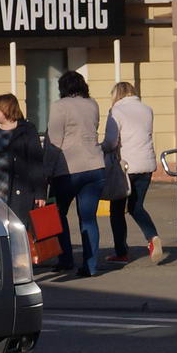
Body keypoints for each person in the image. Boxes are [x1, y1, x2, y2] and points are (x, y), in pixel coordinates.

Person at [44, 71, 105, 277]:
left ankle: (65, 259)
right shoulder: (92, 104)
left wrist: (47, 171)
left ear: (63, 87)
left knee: (58, 214)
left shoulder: (59, 107)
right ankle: (91, 265)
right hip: (96, 165)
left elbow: (54, 142)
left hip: (68, 168)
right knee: (88, 218)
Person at [102, 82, 162, 264]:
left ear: (117, 94)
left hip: (125, 167)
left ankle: (121, 252)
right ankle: (152, 237)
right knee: (136, 206)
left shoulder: (116, 112)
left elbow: (111, 143)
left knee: (117, 210)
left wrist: (99, 148)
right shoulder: (147, 109)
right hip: (146, 165)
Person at [0, 94, 46, 229]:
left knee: (18, 228)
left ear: (6, 109)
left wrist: (40, 192)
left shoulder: (26, 130)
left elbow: (36, 162)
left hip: (19, 190)